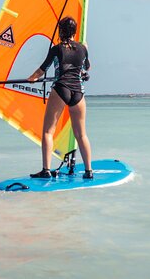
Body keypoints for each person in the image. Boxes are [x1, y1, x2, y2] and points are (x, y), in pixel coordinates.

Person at [27, 16, 93, 179]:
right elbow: (87, 67)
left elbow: (43, 69)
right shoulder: (82, 48)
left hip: (61, 88)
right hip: (78, 92)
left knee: (48, 132)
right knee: (81, 135)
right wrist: (86, 48)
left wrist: (32, 78)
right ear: (74, 32)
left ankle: (46, 170)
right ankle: (88, 171)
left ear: (60, 31)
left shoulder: (56, 49)